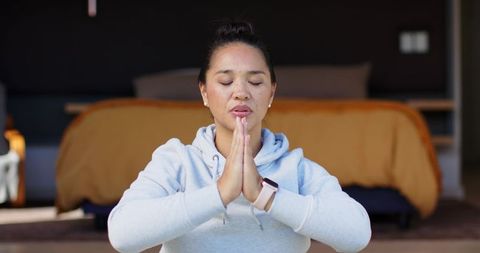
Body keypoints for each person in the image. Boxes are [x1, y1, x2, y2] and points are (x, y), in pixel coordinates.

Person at [108, 20, 371, 253]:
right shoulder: (177, 161)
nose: (241, 92)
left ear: (271, 94)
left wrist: (266, 196)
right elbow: (122, 235)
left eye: (255, 82)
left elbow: (356, 236)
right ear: (204, 92)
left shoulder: (297, 169)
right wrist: (220, 193)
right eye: (225, 82)